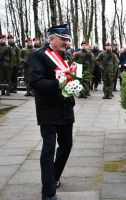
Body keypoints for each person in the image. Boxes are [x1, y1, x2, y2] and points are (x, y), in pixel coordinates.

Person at [28, 24, 75, 200]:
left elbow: (68, 79)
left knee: (67, 145)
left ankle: (53, 177)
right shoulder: (38, 56)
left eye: (67, 39)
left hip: (66, 108)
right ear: (51, 38)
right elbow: (36, 83)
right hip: (48, 109)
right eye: (63, 39)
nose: (66, 42)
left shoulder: (66, 56)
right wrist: (59, 82)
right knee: (48, 149)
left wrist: (72, 86)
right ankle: (48, 193)